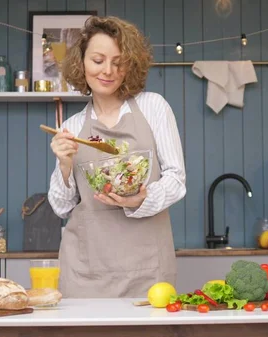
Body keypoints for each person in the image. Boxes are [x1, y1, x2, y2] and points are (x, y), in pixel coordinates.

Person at [47, 16, 186, 298]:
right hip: (85, 271)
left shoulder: (153, 107)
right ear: (81, 63)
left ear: (130, 65)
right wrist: (64, 165)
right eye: (98, 60)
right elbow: (61, 208)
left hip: (148, 269)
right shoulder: (72, 127)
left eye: (118, 62)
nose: (108, 71)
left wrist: (141, 199)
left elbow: (176, 179)